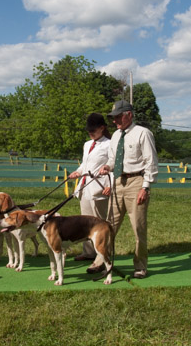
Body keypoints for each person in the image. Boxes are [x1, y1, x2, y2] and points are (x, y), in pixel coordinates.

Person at [99, 100, 158, 279]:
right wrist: (107, 168)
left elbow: (151, 162)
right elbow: (113, 159)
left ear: (129, 115)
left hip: (136, 182)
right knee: (108, 226)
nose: (115, 121)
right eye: (113, 118)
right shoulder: (116, 136)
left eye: (118, 117)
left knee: (138, 227)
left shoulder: (143, 133)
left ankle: (140, 266)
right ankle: (104, 262)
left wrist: (145, 187)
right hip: (118, 182)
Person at [69, 113, 112, 267]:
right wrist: (78, 172)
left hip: (99, 189)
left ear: (102, 128)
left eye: (93, 130)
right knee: (85, 223)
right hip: (84, 188)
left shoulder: (110, 144)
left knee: (99, 224)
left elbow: (113, 168)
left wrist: (110, 186)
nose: (91, 133)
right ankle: (88, 252)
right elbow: (85, 165)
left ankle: (102, 256)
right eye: (89, 131)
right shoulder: (87, 144)